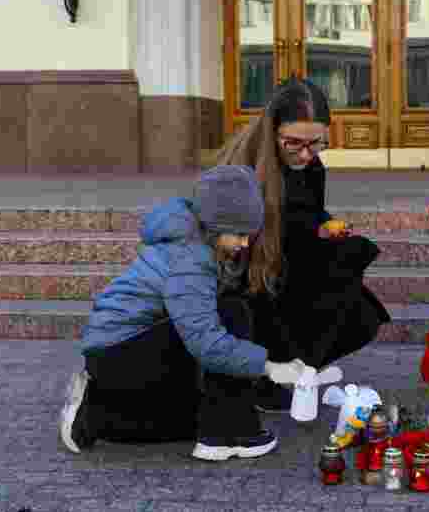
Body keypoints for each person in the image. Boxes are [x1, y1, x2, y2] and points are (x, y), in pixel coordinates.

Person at [58, 165, 307, 461]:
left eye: (249, 235)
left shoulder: (192, 239)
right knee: (232, 313)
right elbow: (206, 342)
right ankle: (229, 433)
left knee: (191, 420)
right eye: (239, 233)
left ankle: (94, 413)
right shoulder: (191, 260)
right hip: (118, 352)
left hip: (114, 353)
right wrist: (269, 367)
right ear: (214, 226)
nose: (244, 243)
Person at [215, 77, 391, 412]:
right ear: (273, 131)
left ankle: (292, 372)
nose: (307, 154)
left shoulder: (311, 165)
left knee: (358, 303)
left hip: (289, 260)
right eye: (293, 143)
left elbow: (307, 214)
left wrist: (324, 227)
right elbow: (225, 241)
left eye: (317, 144)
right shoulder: (241, 169)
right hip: (246, 275)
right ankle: (266, 376)